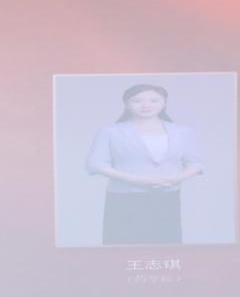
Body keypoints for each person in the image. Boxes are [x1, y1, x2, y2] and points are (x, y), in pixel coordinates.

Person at [86, 84, 202, 245]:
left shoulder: (182, 132)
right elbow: (96, 163)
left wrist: (175, 179)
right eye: (137, 100)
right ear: (126, 104)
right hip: (124, 198)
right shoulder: (110, 132)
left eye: (154, 100)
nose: (146, 105)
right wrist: (137, 180)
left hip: (167, 197)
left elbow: (195, 162)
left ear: (164, 103)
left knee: (165, 245)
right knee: (122, 245)